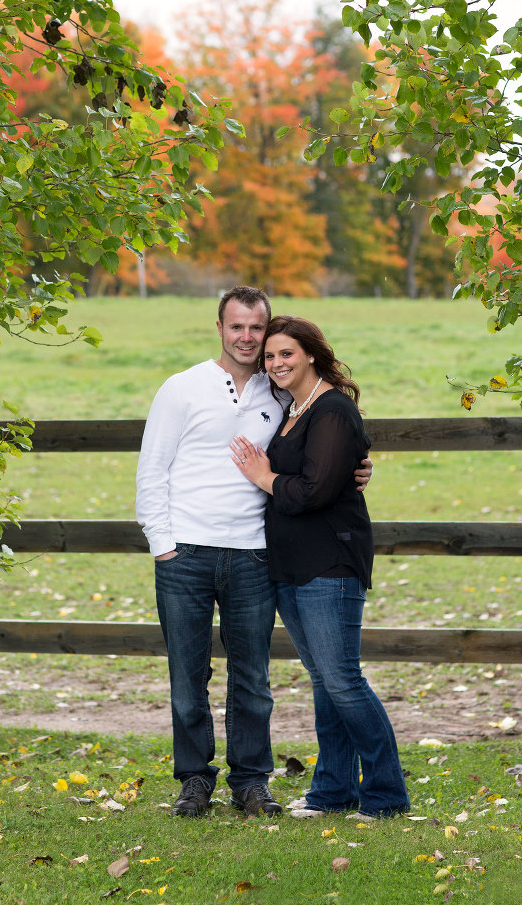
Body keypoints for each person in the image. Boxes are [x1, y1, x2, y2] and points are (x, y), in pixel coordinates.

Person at [136, 287, 372, 819]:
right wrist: (163, 545)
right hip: (186, 553)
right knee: (187, 677)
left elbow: (326, 438)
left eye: (256, 328)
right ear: (219, 328)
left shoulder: (281, 390)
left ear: (268, 332)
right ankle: (195, 780)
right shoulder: (182, 388)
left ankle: (250, 782)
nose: (247, 337)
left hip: (255, 554)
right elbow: (152, 469)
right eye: (236, 326)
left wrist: (359, 467)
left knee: (253, 678)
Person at [231, 315, 410, 821]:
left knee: (343, 680)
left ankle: (386, 794)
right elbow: (320, 473)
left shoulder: (331, 410)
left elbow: (315, 490)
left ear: (311, 353)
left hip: (329, 563)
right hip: (290, 564)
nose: (276, 363)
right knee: (324, 681)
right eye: (269, 356)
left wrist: (264, 477)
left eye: (285, 353)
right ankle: (333, 791)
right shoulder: (293, 409)